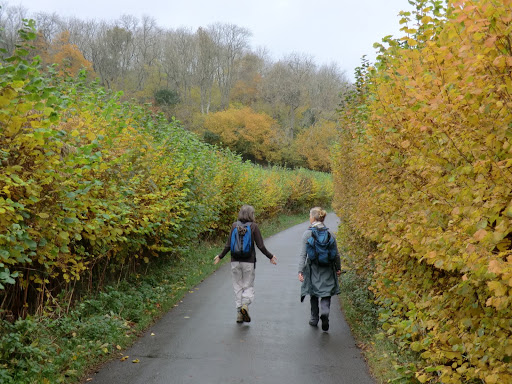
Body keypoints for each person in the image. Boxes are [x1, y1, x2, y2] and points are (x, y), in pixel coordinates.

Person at [214, 205, 278, 323]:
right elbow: (260, 246)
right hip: (248, 262)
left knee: (237, 287)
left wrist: (220, 256)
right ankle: (245, 305)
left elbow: (228, 245)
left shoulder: (234, 225)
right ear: (251, 214)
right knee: (248, 285)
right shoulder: (253, 227)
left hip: (235, 261)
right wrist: (270, 256)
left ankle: (239, 313)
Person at [298, 207, 342, 331]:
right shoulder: (330, 233)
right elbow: (336, 254)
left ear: (313, 218)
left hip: (313, 267)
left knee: (313, 292)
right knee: (326, 292)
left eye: (309, 216)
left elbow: (303, 254)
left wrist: (300, 271)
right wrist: (338, 268)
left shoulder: (307, 233)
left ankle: (314, 318)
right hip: (327, 268)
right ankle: (325, 313)